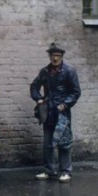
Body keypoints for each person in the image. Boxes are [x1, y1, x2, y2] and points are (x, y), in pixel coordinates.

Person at [30, 42, 81, 183]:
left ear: (62, 56)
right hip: (48, 112)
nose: (55, 59)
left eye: (58, 56)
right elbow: (34, 86)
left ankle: (66, 171)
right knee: (47, 143)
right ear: (49, 56)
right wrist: (39, 99)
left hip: (62, 113)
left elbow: (76, 92)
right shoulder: (45, 71)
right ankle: (49, 170)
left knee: (64, 142)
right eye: (53, 55)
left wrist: (65, 104)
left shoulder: (69, 71)